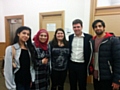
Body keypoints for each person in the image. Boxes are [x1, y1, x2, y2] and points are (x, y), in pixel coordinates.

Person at [90, 19, 120, 90]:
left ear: (104, 27)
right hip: (96, 75)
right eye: (95, 26)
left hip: (108, 76)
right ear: (94, 29)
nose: (98, 28)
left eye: (100, 26)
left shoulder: (113, 40)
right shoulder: (92, 41)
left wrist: (117, 80)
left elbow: (118, 61)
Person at [69, 19, 92, 90]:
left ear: (82, 27)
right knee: (72, 84)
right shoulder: (70, 37)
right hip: (72, 64)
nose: (76, 29)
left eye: (78, 27)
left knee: (82, 85)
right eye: (74, 27)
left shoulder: (88, 37)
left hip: (82, 65)